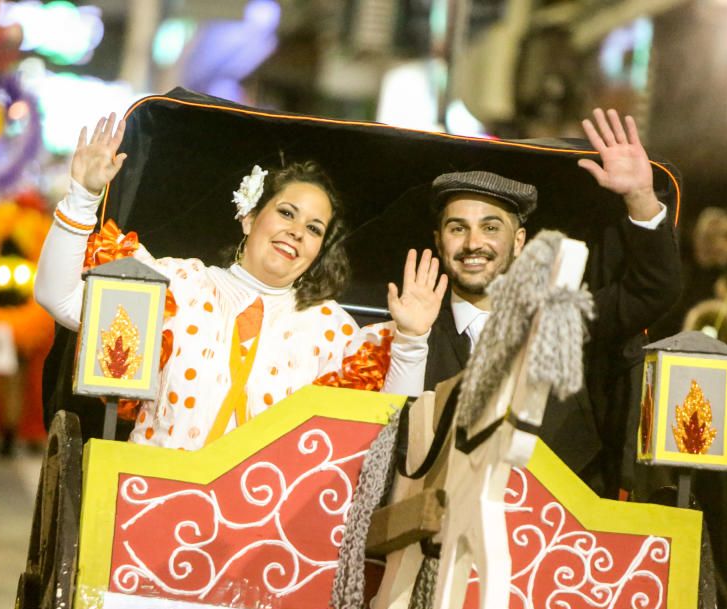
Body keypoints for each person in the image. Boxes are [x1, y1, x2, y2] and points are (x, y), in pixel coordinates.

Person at [35, 114, 449, 450]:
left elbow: (390, 426)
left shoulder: (330, 329)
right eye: (286, 213)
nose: (297, 232)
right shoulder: (178, 285)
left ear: (319, 249)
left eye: (314, 228)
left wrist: (412, 340)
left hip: (264, 536)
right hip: (150, 506)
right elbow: (61, 300)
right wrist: (82, 198)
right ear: (250, 217)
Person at [422, 108, 681, 496]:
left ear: (520, 241)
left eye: (491, 227)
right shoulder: (414, 333)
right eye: (458, 228)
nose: (474, 243)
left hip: (564, 528)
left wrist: (641, 197)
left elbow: (653, 290)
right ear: (440, 241)